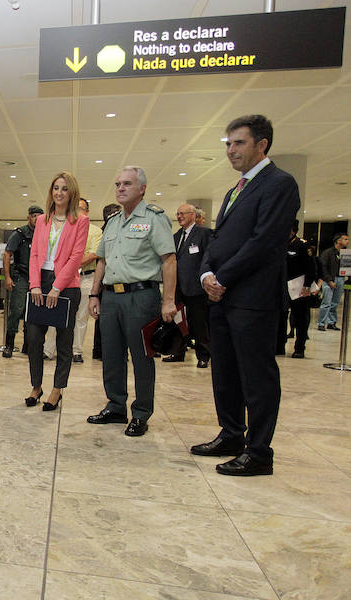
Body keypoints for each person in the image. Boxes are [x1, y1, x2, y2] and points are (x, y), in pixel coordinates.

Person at [191, 114, 300, 477]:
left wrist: (222, 276)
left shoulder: (279, 184)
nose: (230, 150)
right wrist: (206, 272)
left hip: (253, 299)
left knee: (257, 376)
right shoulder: (234, 190)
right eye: (227, 143)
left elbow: (264, 241)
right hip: (222, 297)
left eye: (238, 143)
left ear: (261, 145)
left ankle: (259, 452)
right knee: (225, 372)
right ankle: (232, 434)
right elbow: (219, 239)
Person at [87, 166, 177, 437]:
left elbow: (169, 260)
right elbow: (101, 260)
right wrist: (94, 293)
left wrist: (168, 301)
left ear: (142, 188)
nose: (120, 188)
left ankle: (141, 413)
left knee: (141, 357)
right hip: (111, 297)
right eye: (117, 184)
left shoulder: (154, 218)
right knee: (111, 355)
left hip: (142, 296)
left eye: (127, 183)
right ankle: (116, 406)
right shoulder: (112, 222)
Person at [23, 173, 89, 410]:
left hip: (67, 286)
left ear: (71, 193)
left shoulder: (80, 221)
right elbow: (34, 255)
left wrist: (57, 286)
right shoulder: (42, 220)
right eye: (55, 188)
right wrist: (35, 285)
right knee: (33, 337)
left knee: (64, 340)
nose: (59, 193)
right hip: (40, 282)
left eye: (64, 189)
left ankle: (57, 389)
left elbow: (76, 257)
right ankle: (36, 386)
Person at [163, 204, 211, 368]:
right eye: (177, 214)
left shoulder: (204, 234)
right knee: (177, 321)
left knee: (198, 322)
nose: (179, 216)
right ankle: (178, 351)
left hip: (196, 288)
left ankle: (203, 355)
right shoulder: (176, 237)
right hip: (177, 287)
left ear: (193, 215)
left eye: (183, 213)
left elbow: (209, 258)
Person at [2, 205, 43, 358]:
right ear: (28, 217)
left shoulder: (44, 232)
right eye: (34, 216)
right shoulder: (20, 233)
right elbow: (7, 254)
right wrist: (7, 277)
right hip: (22, 276)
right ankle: (9, 345)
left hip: (38, 278)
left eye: (39, 216)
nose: (36, 219)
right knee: (17, 310)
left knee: (32, 313)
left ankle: (28, 345)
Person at [280, 220, 317, 358]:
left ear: (292, 231)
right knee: (281, 316)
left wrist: (307, 285)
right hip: (283, 286)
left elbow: (311, 267)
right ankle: (279, 345)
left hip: (299, 287)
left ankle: (299, 348)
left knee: (300, 317)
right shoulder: (280, 244)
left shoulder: (302, 245)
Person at [72, 198, 103, 364]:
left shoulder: (96, 231)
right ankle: (50, 349)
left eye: (81, 209)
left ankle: (76, 350)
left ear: (87, 212)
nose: (78, 212)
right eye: (75, 208)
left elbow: (93, 254)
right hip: (66, 278)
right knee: (60, 314)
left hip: (86, 277)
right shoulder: (66, 228)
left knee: (81, 316)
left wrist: (71, 263)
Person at [90, 203, 121, 360]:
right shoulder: (104, 233)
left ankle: (101, 350)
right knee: (103, 319)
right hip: (105, 282)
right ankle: (100, 350)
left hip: (110, 281)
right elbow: (100, 260)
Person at [317, 232, 349, 331]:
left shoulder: (345, 253)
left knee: (335, 302)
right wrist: (329, 280)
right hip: (329, 279)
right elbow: (323, 267)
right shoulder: (328, 253)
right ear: (338, 241)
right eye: (345, 239)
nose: (347, 241)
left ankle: (331, 322)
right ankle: (321, 323)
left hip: (341, 278)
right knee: (326, 302)